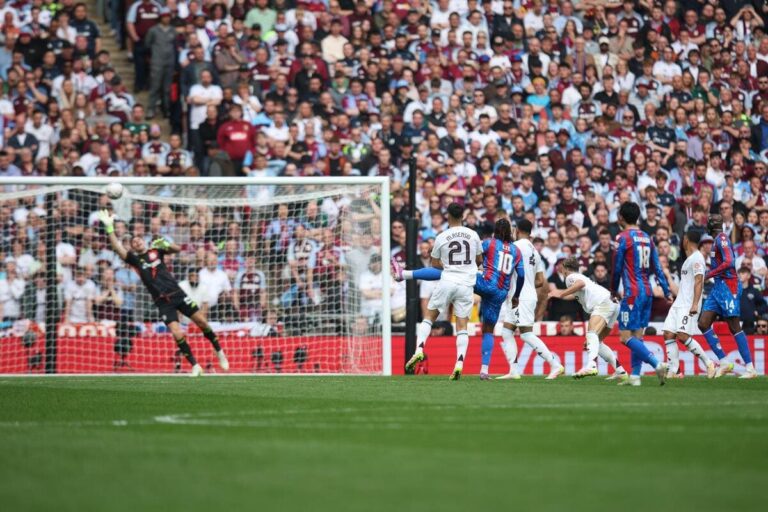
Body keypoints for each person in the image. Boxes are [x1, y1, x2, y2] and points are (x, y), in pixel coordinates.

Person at [98, 209, 228, 376]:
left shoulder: (155, 250)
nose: (137, 242)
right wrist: (109, 228)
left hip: (178, 294)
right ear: (133, 248)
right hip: (162, 302)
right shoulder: (135, 260)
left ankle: (219, 351)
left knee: (202, 322)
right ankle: (195, 365)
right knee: (176, 333)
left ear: (144, 241)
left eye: (138, 240)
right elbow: (117, 247)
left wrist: (165, 244)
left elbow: (176, 249)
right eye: (134, 242)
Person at [393, 218, 525, 380]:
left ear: (495, 232)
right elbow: (521, 276)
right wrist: (516, 295)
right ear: (511, 232)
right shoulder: (516, 251)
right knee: (489, 330)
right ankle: (484, 370)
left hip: (484, 282)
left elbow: (470, 254)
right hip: (500, 292)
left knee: (452, 272)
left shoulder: (489, 243)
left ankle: (405, 274)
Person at [403, 202, 483, 380]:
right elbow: (479, 260)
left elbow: (434, 264)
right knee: (462, 326)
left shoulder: (442, 236)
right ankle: (459, 363)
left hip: (447, 281)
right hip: (466, 285)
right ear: (463, 216)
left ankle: (419, 349)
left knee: (429, 317)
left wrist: (447, 264)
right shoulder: (473, 235)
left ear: (448, 216)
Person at [610, 202, 671, 386]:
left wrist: (613, 290)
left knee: (625, 337)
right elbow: (658, 267)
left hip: (632, 292)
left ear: (621, 217)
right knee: (637, 336)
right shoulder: (647, 237)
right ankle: (635, 377)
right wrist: (666, 290)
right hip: (647, 291)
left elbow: (617, 267)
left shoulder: (622, 238)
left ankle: (657, 363)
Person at [498, 219, 565, 380]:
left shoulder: (514, 247)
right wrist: (527, 284)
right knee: (506, 331)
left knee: (526, 333)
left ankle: (555, 364)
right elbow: (541, 281)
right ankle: (513, 371)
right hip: (525, 295)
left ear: (516, 230)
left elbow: (504, 270)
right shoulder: (535, 252)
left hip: (520, 297)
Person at [697, 214, 757, 379]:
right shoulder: (717, 240)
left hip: (729, 285)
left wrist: (709, 274)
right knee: (703, 323)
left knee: (734, 325)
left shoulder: (722, 239)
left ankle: (750, 368)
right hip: (718, 287)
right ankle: (724, 361)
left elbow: (729, 262)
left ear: (711, 226)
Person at [548, 257, 628, 378]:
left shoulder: (570, 277)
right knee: (596, 342)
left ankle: (591, 366)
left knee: (591, 334)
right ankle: (620, 371)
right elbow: (575, 294)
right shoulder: (580, 276)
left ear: (566, 269)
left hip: (603, 303)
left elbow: (580, 284)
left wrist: (561, 293)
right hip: (613, 303)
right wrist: (559, 294)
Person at [661, 231, 715, 378]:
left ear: (686, 240)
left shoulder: (697, 258)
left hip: (689, 304)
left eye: (683, 239)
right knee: (668, 333)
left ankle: (709, 363)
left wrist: (695, 304)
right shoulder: (689, 259)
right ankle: (675, 371)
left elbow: (699, 281)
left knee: (683, 336)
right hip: (679, 302)